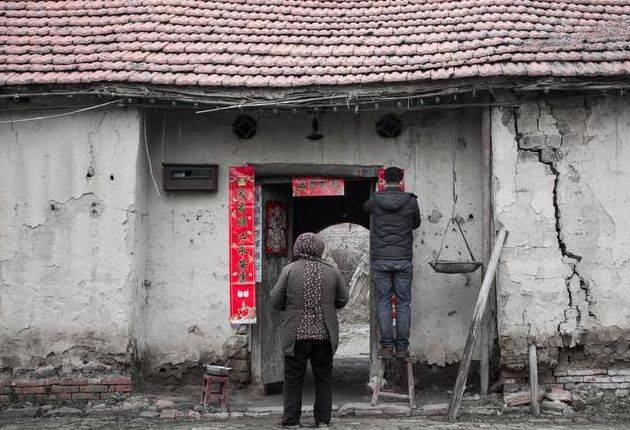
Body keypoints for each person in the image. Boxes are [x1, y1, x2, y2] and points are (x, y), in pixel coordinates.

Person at [270, 232, 349, 428]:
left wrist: (289, 307)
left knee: (293, 378)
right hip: (324, 334)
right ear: (319, 249)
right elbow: (343, 299)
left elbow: (275, 299)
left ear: (298, 248)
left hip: (296, 335)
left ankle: (291, 421)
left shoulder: (289, 270)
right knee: (323, 378)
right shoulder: (332, 272)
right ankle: (322, 420)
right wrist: (330, 305)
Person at [364, 167, 421, 360]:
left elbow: (365, 209)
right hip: (403, 259)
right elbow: (416, 224)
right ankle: (402, 348)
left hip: (381, 259)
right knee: (404, 304)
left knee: (384, 303)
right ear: (401, 180)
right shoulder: (411, 201)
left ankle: (387, 347)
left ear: (383, 179)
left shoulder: (374, 200)